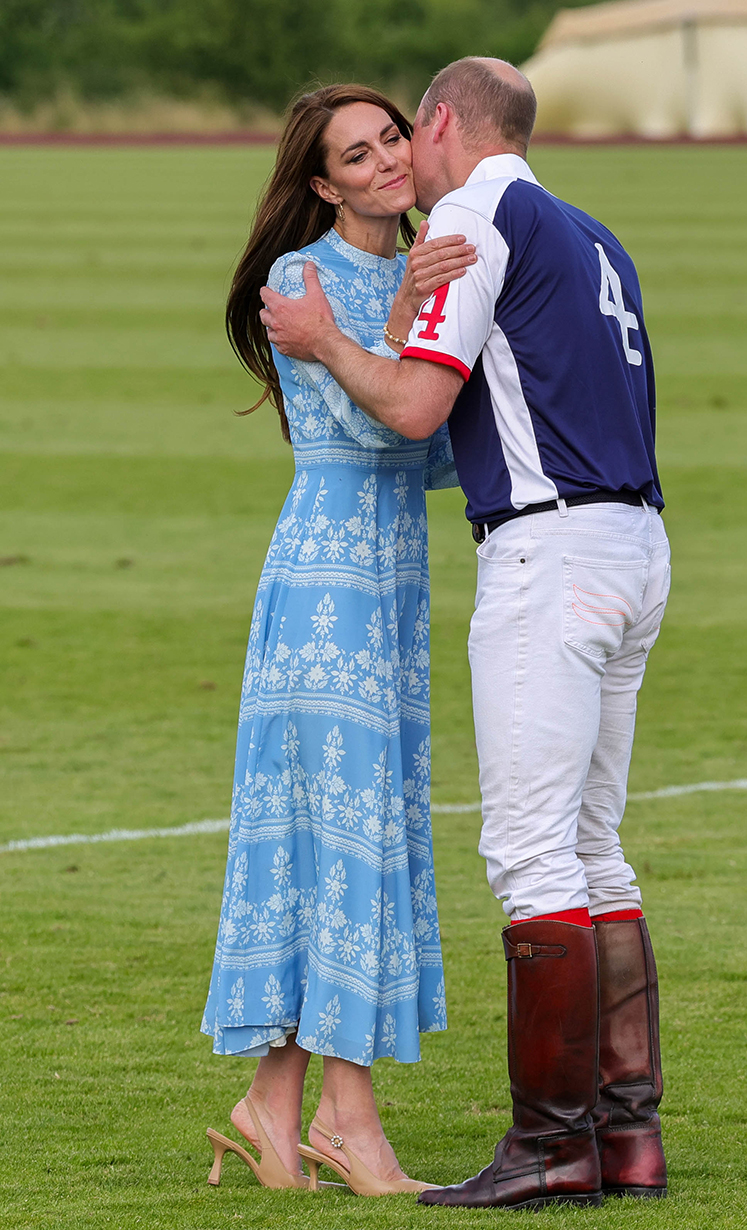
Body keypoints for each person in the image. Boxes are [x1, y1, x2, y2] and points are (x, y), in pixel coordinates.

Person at [260, 57, 671, 1209]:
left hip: (551, 558)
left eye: (405, 134)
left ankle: (551, 1147)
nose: (401, 159)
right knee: (595, 849)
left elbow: (414, 408)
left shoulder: (474, 219)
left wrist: (332, 342)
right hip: (635, 541)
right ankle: (623, 1141)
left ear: (439, 122)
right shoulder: (590, 232)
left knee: (534, 857)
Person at [201, 83, 476, 1197]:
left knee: (353, 833)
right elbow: (371, 419)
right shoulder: (297, 277)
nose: (385, 163)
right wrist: (399, 318)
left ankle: (271, 1106)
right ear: (322, 183)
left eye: (392, 139)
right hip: (326, 582)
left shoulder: (426, 263)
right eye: (355, 157)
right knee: (347, 835)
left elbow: (439, 446)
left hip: (393, 574)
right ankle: (347, 1126)